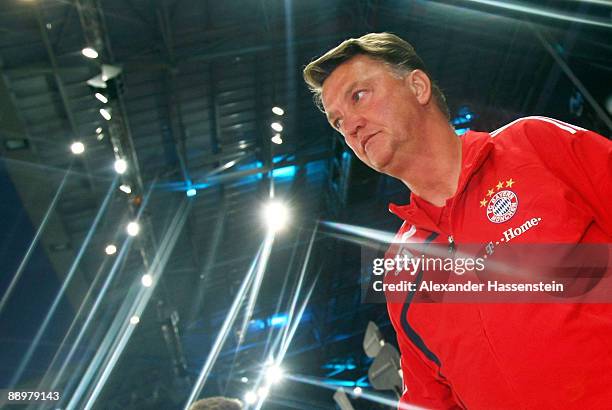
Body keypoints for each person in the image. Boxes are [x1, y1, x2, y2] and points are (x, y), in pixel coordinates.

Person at [303, 32, 612, 409]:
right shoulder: (401, 270)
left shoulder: (533, 145)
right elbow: (429, 399)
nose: (350, 127)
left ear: (417, 86)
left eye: (359, 96)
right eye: (337, 123)